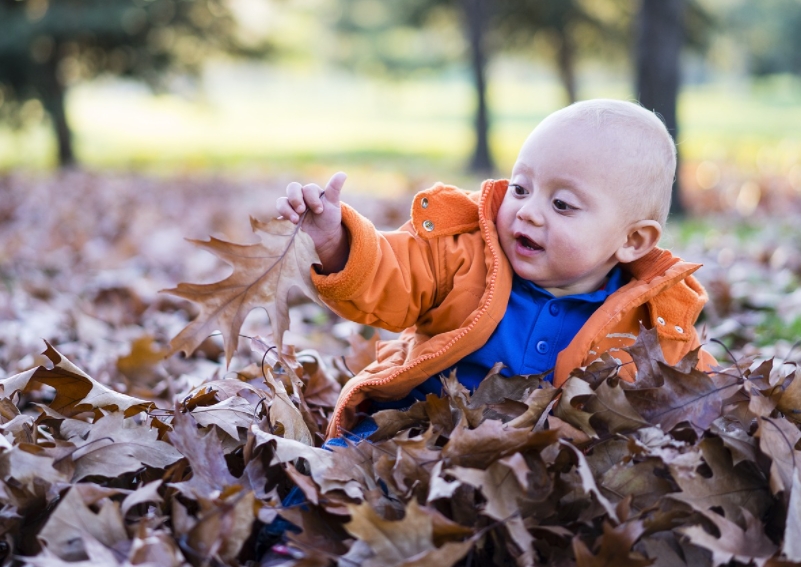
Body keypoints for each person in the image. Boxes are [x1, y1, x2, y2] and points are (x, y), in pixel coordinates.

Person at [276, 98, 717, 441]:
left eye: (562, 204)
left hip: (536, 461)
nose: (528, 212)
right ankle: (293, 533)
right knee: (356, 453)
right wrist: (336, 243)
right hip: (419, 425)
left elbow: (694, 390)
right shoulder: (465, 251)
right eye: (521, 187)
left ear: (631, 240)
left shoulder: (652, 317)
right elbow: (391, 276)